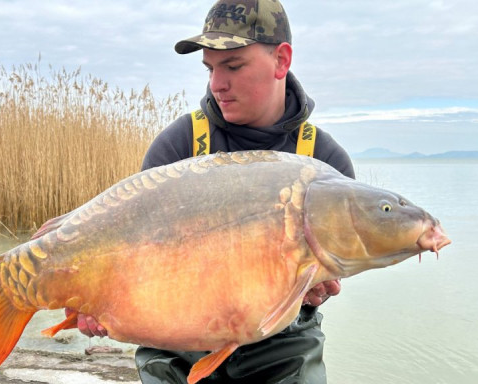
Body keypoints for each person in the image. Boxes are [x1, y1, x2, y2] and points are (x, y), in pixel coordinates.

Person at [77, 0, 355, 382]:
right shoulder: (179, 145)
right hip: (177, 341)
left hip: (281, 347)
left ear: (281, 60)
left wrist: (317, 285)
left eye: (233, 66)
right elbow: (131, 254)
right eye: (210, 68)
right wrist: (100, 299)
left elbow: (333, 274)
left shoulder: (324, 164)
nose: (216, 84)